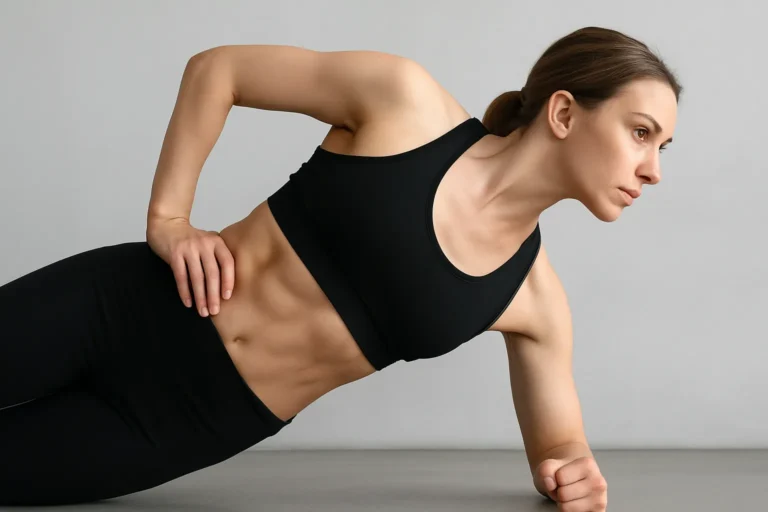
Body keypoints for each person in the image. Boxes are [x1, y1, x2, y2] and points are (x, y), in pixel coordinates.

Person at [0, 25, 680, 508]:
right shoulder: (405, 103)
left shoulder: (534, 299)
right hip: (123, 309)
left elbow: (558, 448)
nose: (652, 169)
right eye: (640, 133)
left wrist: (575, 475)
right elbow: (219, 69)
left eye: (664, 147)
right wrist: (170, 221)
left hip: (178, 427)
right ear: (564, 111)